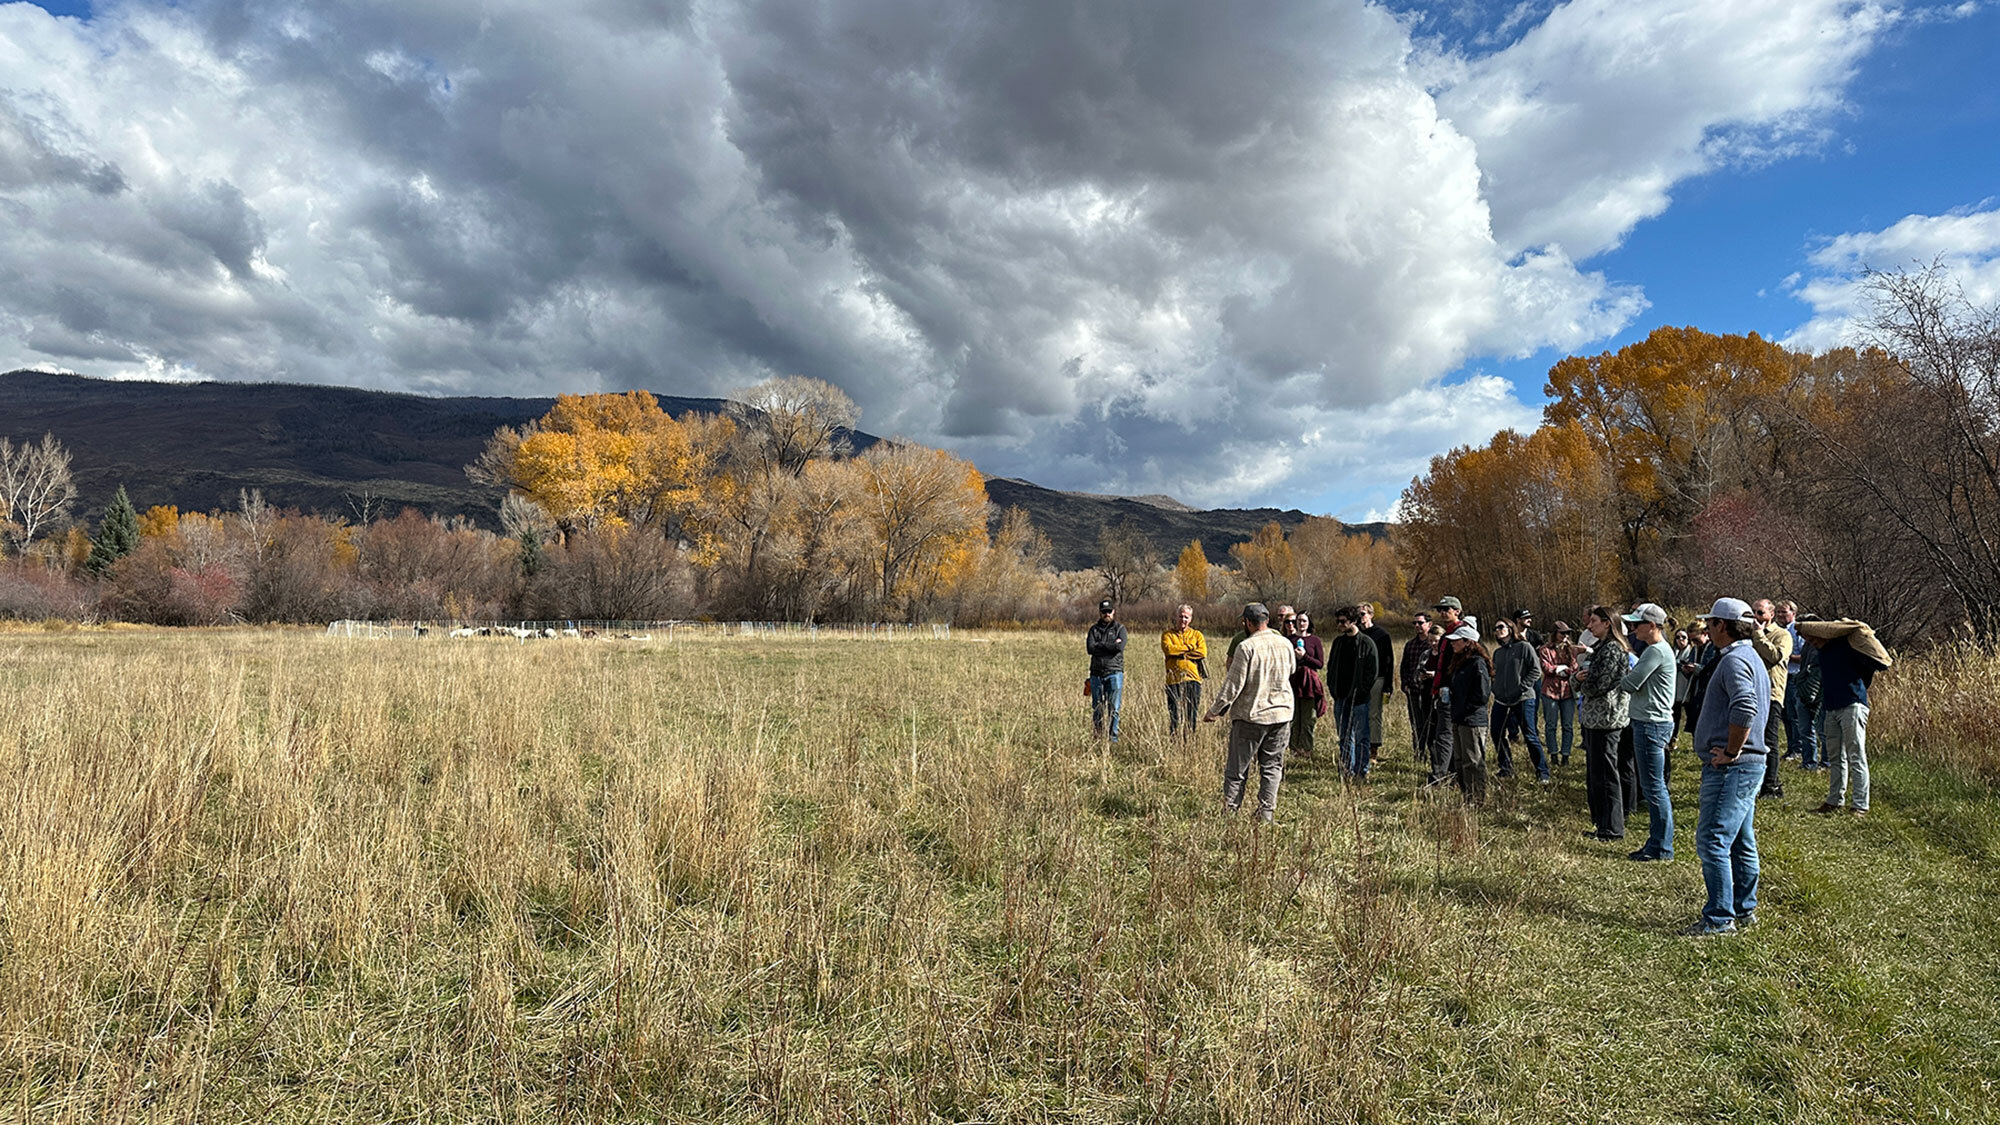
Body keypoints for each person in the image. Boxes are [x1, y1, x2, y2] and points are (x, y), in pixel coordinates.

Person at [1688, 597, 1773, 936]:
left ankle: (1720, 918)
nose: (1706, 629)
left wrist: (1733, 751)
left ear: (1722, 626)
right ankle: (1743, 909)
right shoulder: (1750, 656)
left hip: (1733, 767)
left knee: (1713, 840)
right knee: (1740, 840)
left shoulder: (1735, 660)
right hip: (1748, 764)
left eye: (1710, 624)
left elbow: (1745, 706)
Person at [1204, 603, 1298, 823]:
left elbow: (1233, 685)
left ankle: (1230, 815)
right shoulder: (1285, 644)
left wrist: (1215, 710)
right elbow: (1292, 669)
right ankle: (1266, 814)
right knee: (1272, 767)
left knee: (1237, 769)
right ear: (1267, 620)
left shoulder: (1246, 647)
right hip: (1282, 716)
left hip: (1251, 716)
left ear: (1247, 622)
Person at [1804, 619, 1892, 816]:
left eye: (1814, 637)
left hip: (1852, 704)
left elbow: (1875, 665)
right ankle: (1834, 801)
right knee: (1835, 757)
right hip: (1831, 706)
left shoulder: (1848, 645)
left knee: (1856, 755)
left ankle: (1860, 804)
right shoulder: (1822, 651)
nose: (1812, 641)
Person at [1620, 603, 1678, 862]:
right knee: (1653, 786)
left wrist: (1621, 676)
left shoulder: (1655, 651)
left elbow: (1631, 683)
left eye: (1636, 624)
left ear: (1652, 626)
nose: (1632, 629)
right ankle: (1657, 843)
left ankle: (1662, 847)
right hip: (1651, 722)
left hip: (1651, 724)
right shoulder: (1656, 650)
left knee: (1654, 787)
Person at [1578, 605, 1633, 841]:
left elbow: (1600, 684)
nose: (1589, 626)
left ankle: (1613, 828)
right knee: (1596, 774)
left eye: (1594, 622)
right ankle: (1602, 824)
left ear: (1607, 624)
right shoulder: (1601, 648)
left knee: (1607, 775)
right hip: (1595, 720)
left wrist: (1579, 682)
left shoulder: (1612, 649)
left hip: (1607, 720)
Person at [1489, 618, 1550, 783]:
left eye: (1501, 626)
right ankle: (1506, 768)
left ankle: (1542, 772)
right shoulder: (1498, 653)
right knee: (1496, 732)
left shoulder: (1524, 647)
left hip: (1523, 699)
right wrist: (1495, 688)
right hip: (1502, 700)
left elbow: (1536, 671)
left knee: (1529, 735)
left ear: (1510, 628)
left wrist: (1522, 687)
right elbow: (1494, 674)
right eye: (1495, 628)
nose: (1498, 630)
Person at [1327, 607, 1380, 780]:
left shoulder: (1366, 643)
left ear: (1354, 621)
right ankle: (1346, 769)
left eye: (1343, 621)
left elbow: (1372, 672)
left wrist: (1361, 691)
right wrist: (1333, 688)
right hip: (1340, 697)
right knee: (1343, 736)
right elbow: (1331, 667)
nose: (1340, 625)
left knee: (1361, 737)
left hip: (1359, 699)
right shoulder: (1338, 643)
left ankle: (1361, 771)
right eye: (1338, 622)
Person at [1750, 598, 1793, 799]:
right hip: (1751, 691)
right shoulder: (1750, 635)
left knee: (1770, 739)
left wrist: (1759, 634)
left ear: (1771, 614)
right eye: (1753, 613)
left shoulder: (1782, 635)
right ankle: (1755, 781)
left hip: (1771, 693)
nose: (1756, 617)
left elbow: (1776, 656)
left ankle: (1771, 785)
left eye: (1760, 613)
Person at [1443, 624, 1492, 802]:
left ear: (1467, 642)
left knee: (1473, 761)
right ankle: (1466, 796)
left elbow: (1482, 694)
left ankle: (1477, 799)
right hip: (1458, 718)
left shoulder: (1477, 663)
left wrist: (1466, 710)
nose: (1452, 644)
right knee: (1460, 760)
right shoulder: (1459, 662)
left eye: (1456, 641)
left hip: (1472, 720)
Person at [1423, 597, 1468, 787]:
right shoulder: (1446, 635)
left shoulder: (1462, 633)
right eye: (1440, 610)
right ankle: (1451, 774)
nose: (1442, 613)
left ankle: (1440, 775)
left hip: (1452, 694)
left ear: (1457, 611)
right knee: (1445, 734)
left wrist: (1450, 688)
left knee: (1444, 735)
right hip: (1441, 692)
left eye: (1446, 609)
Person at [1779, 601, 1821, 771]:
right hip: (1785, 676)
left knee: (1798, 717)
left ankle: (1803, 752)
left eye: (1784, 612)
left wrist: (1784, 656)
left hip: (1798, 677)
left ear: (1793, 613)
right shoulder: (1779, 630)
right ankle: (1792, 747)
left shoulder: (1799, 631)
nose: (1781, 615)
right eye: (1779, 612)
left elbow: (1805, 657)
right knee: (1787, 716)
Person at [1161, 604, 1208, 737]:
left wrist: (1179, 652)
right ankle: (1174, 742)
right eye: (1181, 616)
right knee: (1174, 715)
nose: (1183, 620)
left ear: (1191, 619)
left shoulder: (1197, 635)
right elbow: (1169, 650)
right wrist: (1190, 648)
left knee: (1191, 715)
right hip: (1173, 680)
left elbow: (1202, 653)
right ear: (1176, 617)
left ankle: (1189, 742)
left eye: (1186, 617)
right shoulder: (1167, 634)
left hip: (1193, 679)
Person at [1287, 611, 1328, 759]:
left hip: (1309, 683)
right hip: (1293, 681)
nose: (1301, 623)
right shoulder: (1289, 639)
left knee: (1308, 719)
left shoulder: (1315, 641)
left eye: (1304, 621)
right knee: (1294, 719)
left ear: (1309, 623)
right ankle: (1294, 749)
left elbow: (1320, 663)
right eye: (1298, 621)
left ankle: (1307, 749)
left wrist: (1304, 656)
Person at [1539, 622, 1580, 766]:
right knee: (1551, 725)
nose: (1565, 636)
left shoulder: (1571, 649)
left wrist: (1560, 669)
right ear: (1555, 633)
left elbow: (1574, 669)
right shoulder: (1545, 650)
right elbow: (1546, 668)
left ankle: (1566, 755)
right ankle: (1553, 754)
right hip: (1550, 691)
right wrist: (1560, 668)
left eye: (1567, 633)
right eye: (1562, 633)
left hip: (1567, 691)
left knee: (1568, 725)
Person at [1085, 600, 1127, 742]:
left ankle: (1112, 738)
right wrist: (1110, 645)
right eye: (1104, 611)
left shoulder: (1120, 629)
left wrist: (1099, 645)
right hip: (1096, 674)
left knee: (1114, 708)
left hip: (1114, 672)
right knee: (1097, 707)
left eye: (1109, 611)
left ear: (1113, 612)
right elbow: (1090, 649)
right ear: (1099, 612)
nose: (1106, 614)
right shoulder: (1093, 630)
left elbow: (1119, 648)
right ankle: (1097, 736)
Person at [1359, 603, 1395, 765]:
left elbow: (1389, 661)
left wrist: (1388, 685)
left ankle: (1373, 750)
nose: (1361, 618)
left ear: (1371, 615)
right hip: (1359, 680)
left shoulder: (1381, 635)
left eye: (1363, 614)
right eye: (1358, 614)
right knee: (1358, 715)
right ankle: (1360, 748)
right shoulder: (1356, 633)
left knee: (1374, 715)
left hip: (1377, 679)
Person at [1400, 613, 1437, 759]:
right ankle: (1419, 754)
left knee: (1431, 723)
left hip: (1430, 691)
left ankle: (1434, 754)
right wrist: (1405, 684)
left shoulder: (1434, 643)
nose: (1417, 626)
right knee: (1416, 724)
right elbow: (1405, 666)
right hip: (1413, 690)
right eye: (1414, 623)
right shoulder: (1410, 645)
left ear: (1429, 624)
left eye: (1420, 623)